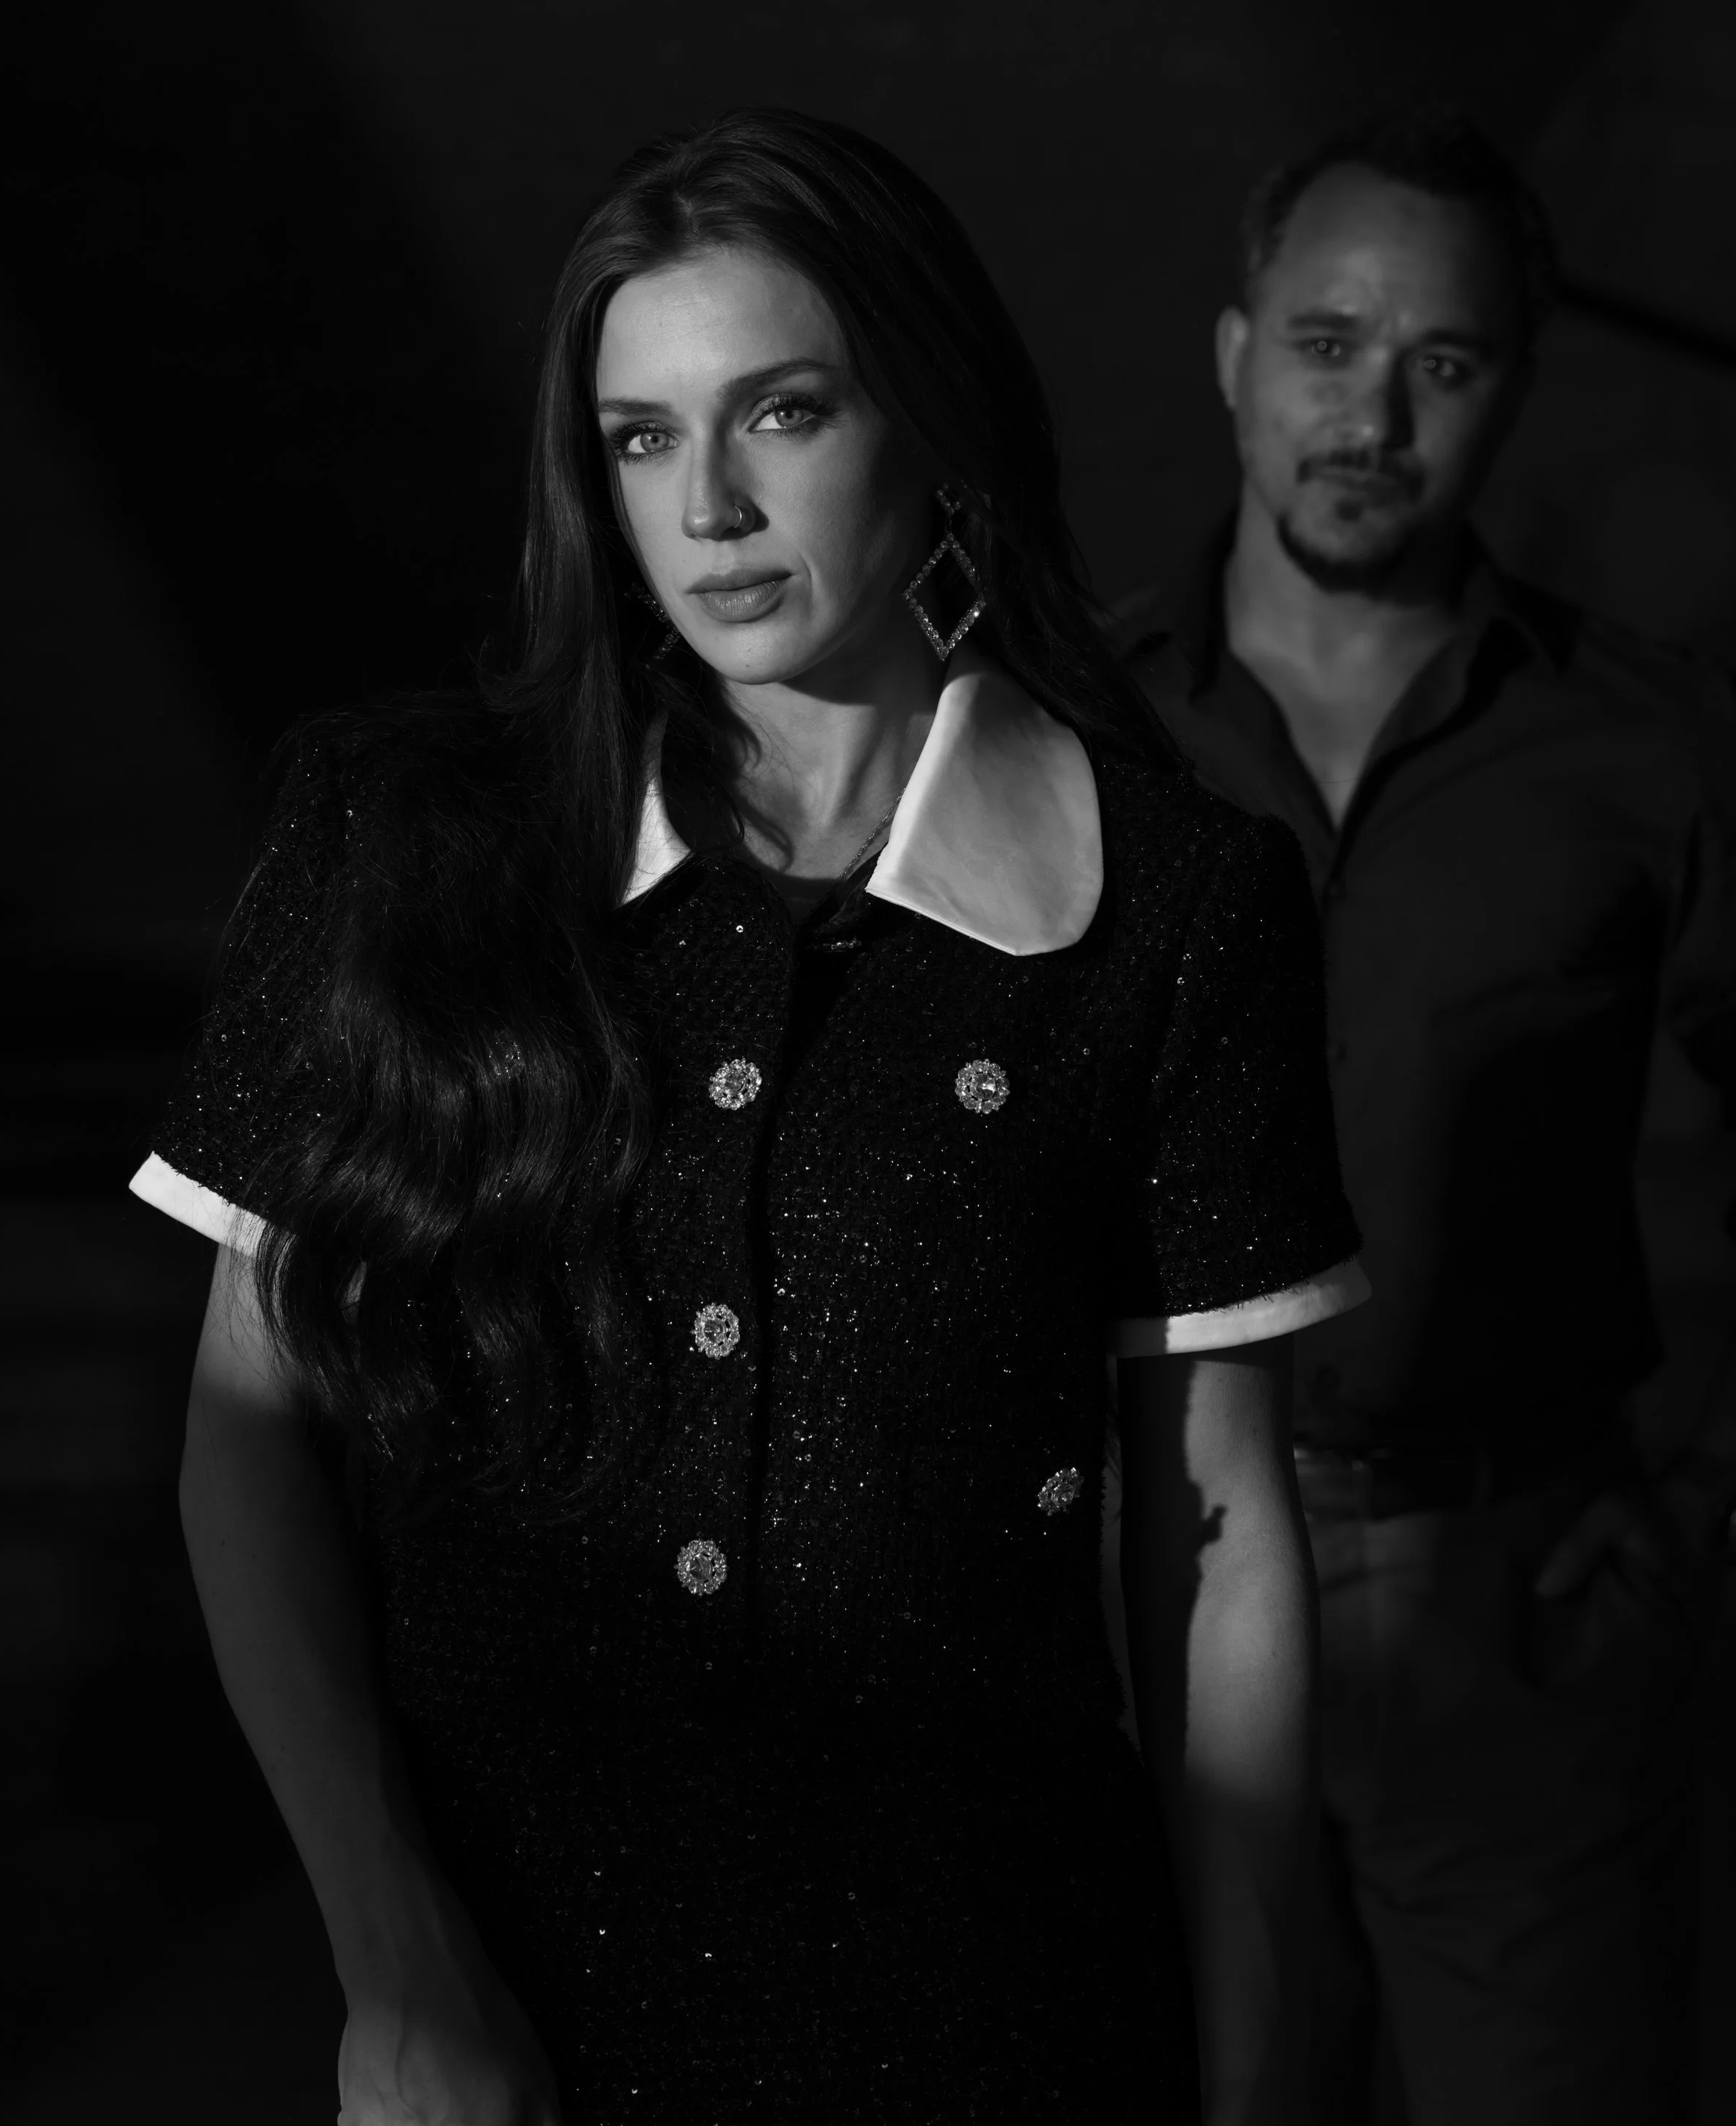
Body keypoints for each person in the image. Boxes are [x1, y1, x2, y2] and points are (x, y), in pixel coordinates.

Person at [132, 107, 1363, 2125]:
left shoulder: (1175, 902)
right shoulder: (400, 845)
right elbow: (245, 1440)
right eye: (638, 436)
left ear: (931, 421)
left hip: (1003, 2012)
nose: (704, 501)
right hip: (507, 2016)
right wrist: (395, 1962)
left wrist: (1257, 2069)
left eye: (779, 412)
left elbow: (1216, 1539)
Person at [1127, 105, 1736, 2126]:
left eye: (1442, 362)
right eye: (1325, 341)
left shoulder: (1645, 746)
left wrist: (1696, 1526)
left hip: (1515, 1615)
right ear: (1232, 351)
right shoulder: (1065, 732)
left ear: (1510, 392)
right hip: (1144, 1600)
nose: (1369, 410)